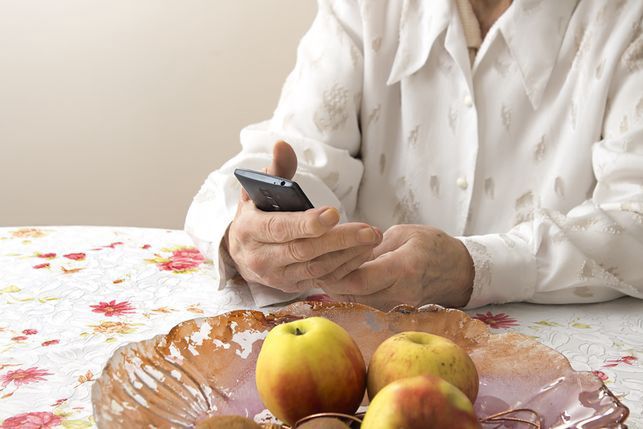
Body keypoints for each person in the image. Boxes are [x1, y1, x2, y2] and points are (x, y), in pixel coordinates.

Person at [185, 0, 643, 310]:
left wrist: (475, 267)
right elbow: (296, 153)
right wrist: (244, 233)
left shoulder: (627, 19)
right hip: (367, 364)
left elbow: (636, 216)